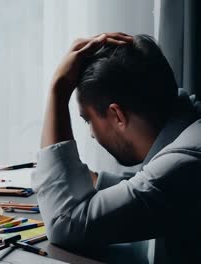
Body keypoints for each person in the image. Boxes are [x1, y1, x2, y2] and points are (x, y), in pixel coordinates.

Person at [33, 32, 201, 263]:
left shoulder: (187, 162)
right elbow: (147, 187)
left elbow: (65, 224)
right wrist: (94, 180)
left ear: (117, 115)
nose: (91, 134)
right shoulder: (191, 127)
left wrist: (59, 90)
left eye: (88, 120)